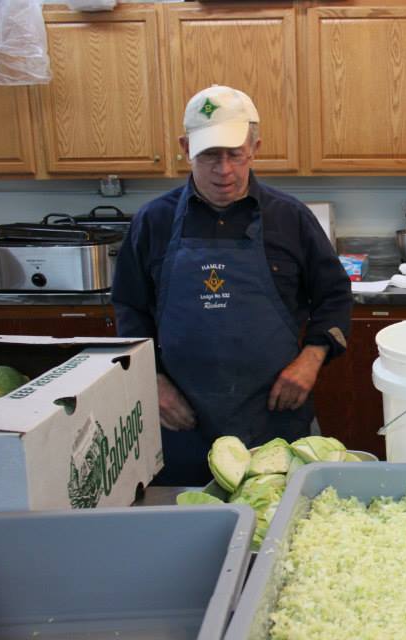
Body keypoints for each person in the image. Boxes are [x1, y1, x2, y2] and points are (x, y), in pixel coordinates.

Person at [112, 85, 353, 486]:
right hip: (181, 422)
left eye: (234, 154)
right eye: (209, 155)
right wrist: (151, 383)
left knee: (280, 513)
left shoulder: (290, 218)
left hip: (275, 418)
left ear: (254, 149)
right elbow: (130, 309)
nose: (223, 170)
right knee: (184, 513)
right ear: (185, 148)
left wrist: (311, 359)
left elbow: (335, 296)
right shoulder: (153, 221)